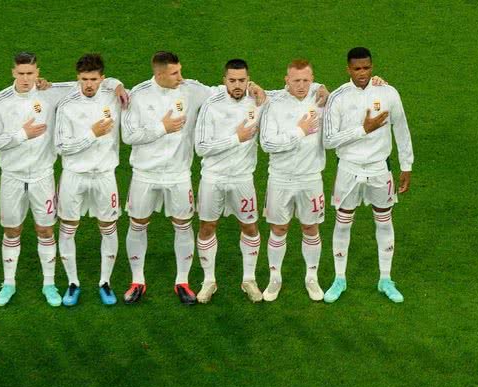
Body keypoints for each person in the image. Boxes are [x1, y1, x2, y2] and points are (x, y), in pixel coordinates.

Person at [0, 52, 125, 307]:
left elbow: (97, 82)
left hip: (43, 176)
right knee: (12, 230)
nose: (26, 78)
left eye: (31, 73)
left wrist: (116, 84)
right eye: (21, 73)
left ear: (38, 73)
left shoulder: (52, 93)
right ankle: (9, 283)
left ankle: (50, 284)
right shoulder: (0, 100)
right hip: (12, 177)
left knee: (46, 230)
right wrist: (21, 135)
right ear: (13, 72)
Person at [122, 51, 263, 305]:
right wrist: (161, 127)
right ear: (159, 74)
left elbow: (225, 90)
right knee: (138, 223)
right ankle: (137, 280)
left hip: (178, 174)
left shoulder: (190, 90)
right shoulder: (138, 94)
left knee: (183, 224)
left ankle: (182, 281)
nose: (181, 77)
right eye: (175, 73)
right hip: (145, 173)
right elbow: (128, 136)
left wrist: (251, 86)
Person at [322, 47, 413, 304]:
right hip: (348, 169)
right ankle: (339, 279)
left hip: (379, 168)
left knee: (384, 222)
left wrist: (407, 165)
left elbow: (402, 129)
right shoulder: (338, 98)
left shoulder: (388, 93)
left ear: (372, 66)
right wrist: (363, 130)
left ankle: (386, 279)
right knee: (342, 223)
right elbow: (328, 140)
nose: (363, 73)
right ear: (348, 69)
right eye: (357, 69)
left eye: (367, 68)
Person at [54, 53, 127, 306]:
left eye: (94, 79)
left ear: (101, 79)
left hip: (105, 176)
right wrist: (91, 134)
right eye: (84, 79)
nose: (88, 84)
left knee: (108, 227)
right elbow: (61, 146)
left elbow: (119, 86)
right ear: (78, 78)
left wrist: (116, 84)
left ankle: (105, 282)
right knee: (68, 227)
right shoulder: (67, 105)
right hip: (74, 175)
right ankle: (73, 283)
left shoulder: (112, 97)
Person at [194, 59, 264, 303]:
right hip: (213, 178)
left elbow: (292, 91)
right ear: (224, 80)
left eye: (242, 80)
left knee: (250, 227)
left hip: (243, 179)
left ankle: (249, 279)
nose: (237, 85)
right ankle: (209, 281)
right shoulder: (211, 105)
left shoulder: (257, 101)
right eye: (232, 80)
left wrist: (321, 89)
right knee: (207, 227)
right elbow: (201, 147)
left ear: (248, 79)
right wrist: (237, 138)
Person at [259, 59, 327, 301]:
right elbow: (267, 143)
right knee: (279, 228)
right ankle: (275, 278)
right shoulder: (273, 105)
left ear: (313, 79)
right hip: (280, 179)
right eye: (296, 80)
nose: (301, 85)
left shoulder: (321, 100)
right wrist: (299, 131)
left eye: (306, 80)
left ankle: (312, 277)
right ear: (286, 80)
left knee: (311, 227)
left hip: (311, 178)